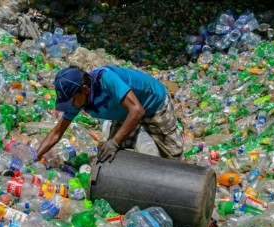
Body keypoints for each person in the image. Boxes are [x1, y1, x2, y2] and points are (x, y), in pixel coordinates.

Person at [36, 66, 184, 162]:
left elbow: (137, 110)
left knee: (172, 157)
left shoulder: (106, 79)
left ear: (85, 89)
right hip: (124, 112)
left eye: (72, 101)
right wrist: (34, 157)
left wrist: (114, 142)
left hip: (153, 103)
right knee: (113, 157)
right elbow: (57, 133)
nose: (71, 105)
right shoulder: (78, 99)